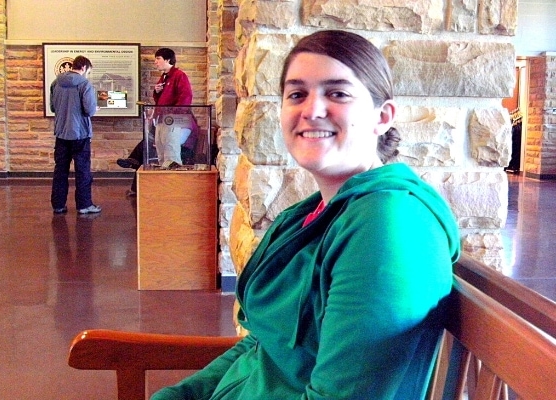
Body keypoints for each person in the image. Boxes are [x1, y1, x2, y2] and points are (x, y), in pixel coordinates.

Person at [150, 30, 461, 399]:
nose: (311, 110)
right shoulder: (312, 213)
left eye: (338, 93)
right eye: (297, 94)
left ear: (383, 116)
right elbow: (262, 346)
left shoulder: (388, 226)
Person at [116, 48, 197, 196]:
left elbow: (186, 97)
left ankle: (175, 190)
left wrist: (173, 115)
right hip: (163, 120)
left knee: (171, 153)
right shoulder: (165, 77)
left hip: (173, 121)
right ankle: (165, 188)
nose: (155, 62)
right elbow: (161, 100)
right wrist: (157, 92)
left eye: (158, 58)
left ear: (167, 60)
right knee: (161, 152)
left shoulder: (179, 76)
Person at [50, 55, 101, 215]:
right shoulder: (84, 84)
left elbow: (53, 107)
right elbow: (89, 110)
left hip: (61, 133)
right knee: (83, 170)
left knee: (60, 170)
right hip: (80, 134)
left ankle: (58, 205)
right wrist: (95, 109)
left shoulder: (55, 82)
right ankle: (84, 205)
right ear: (84, 68)